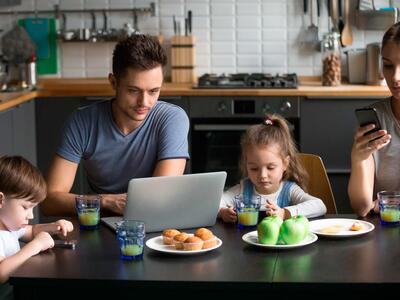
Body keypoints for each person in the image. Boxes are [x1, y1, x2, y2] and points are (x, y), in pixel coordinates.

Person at [42, 34, 190, 216]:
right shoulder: (82, 122)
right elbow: (50, 200)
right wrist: (106, 201)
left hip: (154, 222)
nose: (144, 102)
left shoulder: (172, 118)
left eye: (153, 91)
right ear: (113, 82)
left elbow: (160, 197)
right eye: (133, 91)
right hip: (99, 219)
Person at [218, 114, 327, 222]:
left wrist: (285, 213)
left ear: (285, 164)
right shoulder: (243, 189)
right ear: (246, 165)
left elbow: (319, 206)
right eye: (254, 168)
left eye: (270, 168)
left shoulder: (289, 190)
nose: (262, 175)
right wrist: (222, 212)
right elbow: (213, 203)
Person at [0, 156, 73, 299]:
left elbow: (32, 231)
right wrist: (36, 245)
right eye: (26, 207)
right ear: (1, 200)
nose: (31, 215)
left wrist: (53, 227)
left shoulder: (9, 227)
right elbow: (1, 273)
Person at [348, 23, 399, 217]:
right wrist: (358, 158)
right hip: (383, 229)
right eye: (388, 65)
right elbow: (361, 208)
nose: (395, 77)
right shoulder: (374, 116)